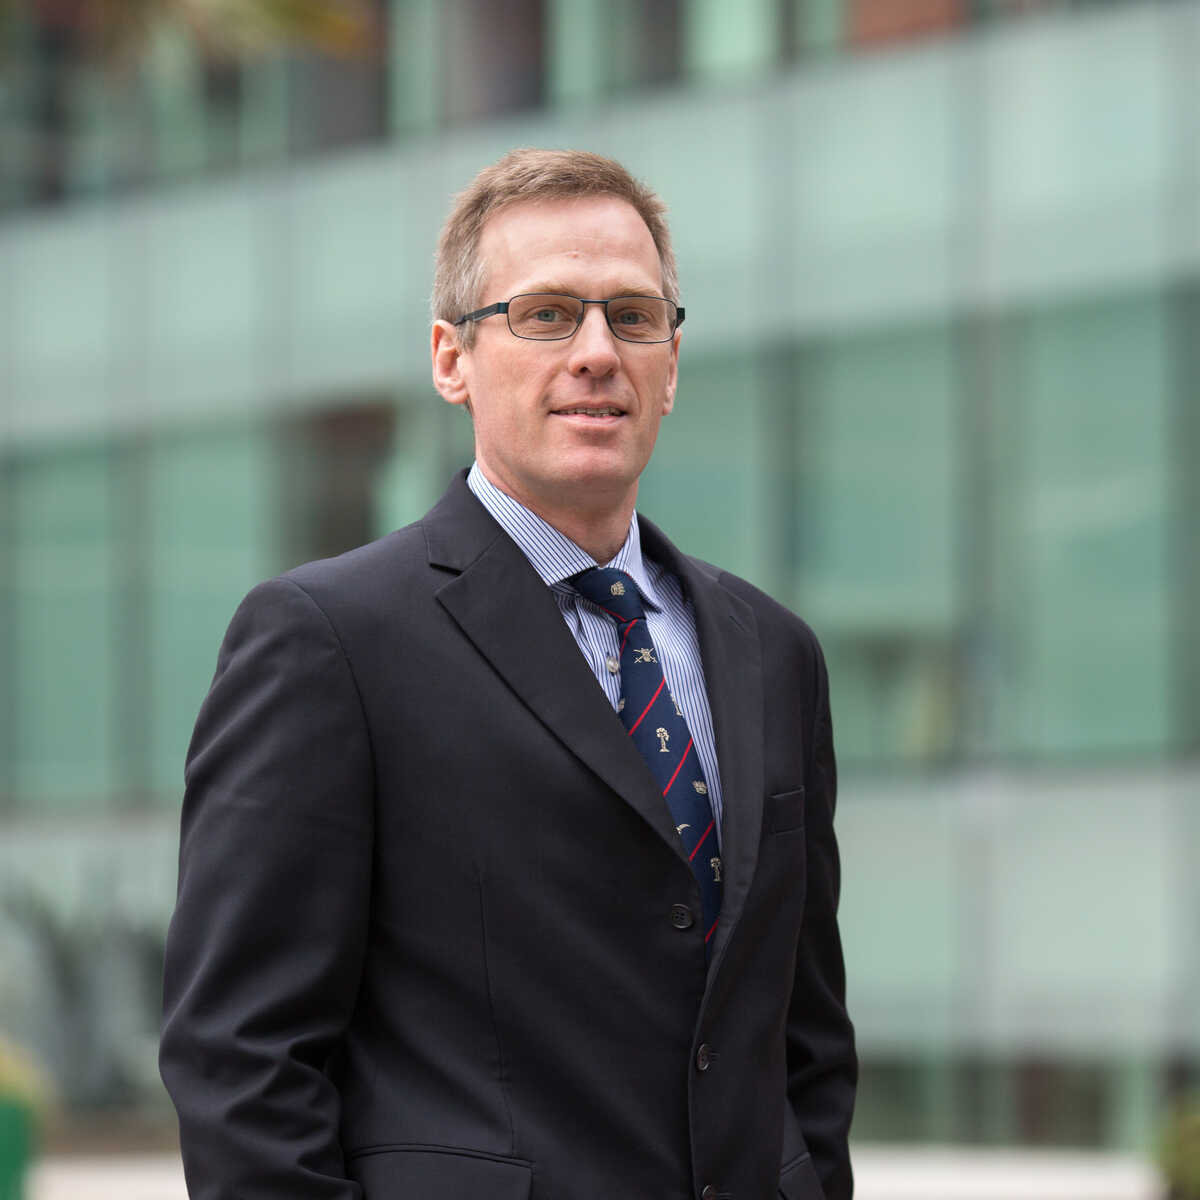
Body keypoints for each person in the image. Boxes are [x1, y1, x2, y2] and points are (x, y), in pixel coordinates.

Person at [160, 148, 856, 1200]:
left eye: (633, 316)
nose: (597, 353)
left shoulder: (774, 651)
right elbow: (241, 1062)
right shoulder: (327, 642)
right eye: (546, 315)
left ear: (672, 362)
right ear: (452, 359)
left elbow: (804, 1039)